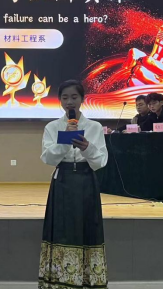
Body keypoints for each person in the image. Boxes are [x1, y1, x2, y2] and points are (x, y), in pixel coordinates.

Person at [39, 80, 109, 289]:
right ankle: (59, 279)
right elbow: (47, 158)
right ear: (60, 100)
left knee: (88, 226)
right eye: (65, 98)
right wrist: (65, 141)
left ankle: (87, 279)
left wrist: (87, 148)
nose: (69, 102)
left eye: (74, 97)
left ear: (82, 99)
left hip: (86, 181)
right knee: (62, 228)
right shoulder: (52, 127)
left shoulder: (94, 127)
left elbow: (100, 162)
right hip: (63, 180)